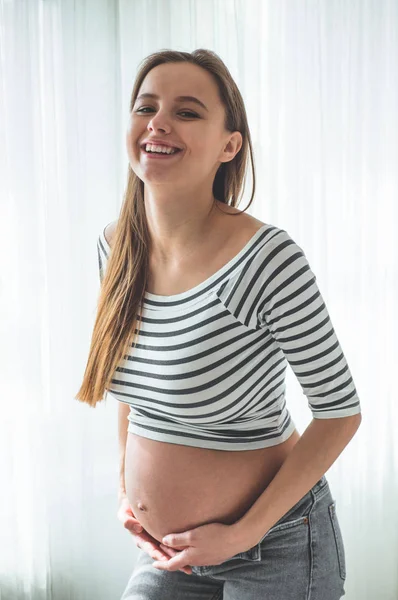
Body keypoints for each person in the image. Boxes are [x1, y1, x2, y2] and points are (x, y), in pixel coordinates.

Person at [76, 48, 362, 600]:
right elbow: (134, 390)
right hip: (169, 552)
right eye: (146, 106)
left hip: (274, 546)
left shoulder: (267, 259)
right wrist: (126, 489)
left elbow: (339, 413)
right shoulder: (115, 248)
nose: (158, 122)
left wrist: (240, 532)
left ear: (229, 146)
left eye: (186, 111)